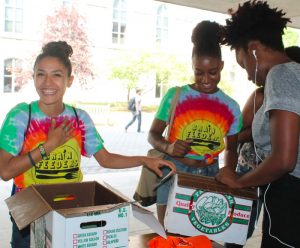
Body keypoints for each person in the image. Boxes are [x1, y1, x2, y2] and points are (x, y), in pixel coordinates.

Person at [0, 41, 176, 248]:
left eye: (56, 74)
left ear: (69, 80)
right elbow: (5, 172)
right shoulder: (21, 116)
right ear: (33, 78)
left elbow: (106, 158)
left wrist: (144, 160)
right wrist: (49, 145)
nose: (47, 82)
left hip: (68, 210)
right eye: (41, 74)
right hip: (29, 212)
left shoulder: (79, 118)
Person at [216, 1, 300, 247]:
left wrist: (239, 181)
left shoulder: (281, 74)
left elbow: (284, 160)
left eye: (243, 64)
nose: (247, 74)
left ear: (253, 50)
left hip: (291, 201)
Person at [148, 20, 242, 225]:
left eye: (213, 72)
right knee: (170, 234)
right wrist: (168, 147)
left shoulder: (231, 107)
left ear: (222, 66)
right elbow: (152, 134)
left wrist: (229, 173)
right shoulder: (175, 96)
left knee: (201, 235)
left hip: (210, 175)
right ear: (192, 67)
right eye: (199, 72)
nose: (206, 79)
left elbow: (232, 148)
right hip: (173, 172)